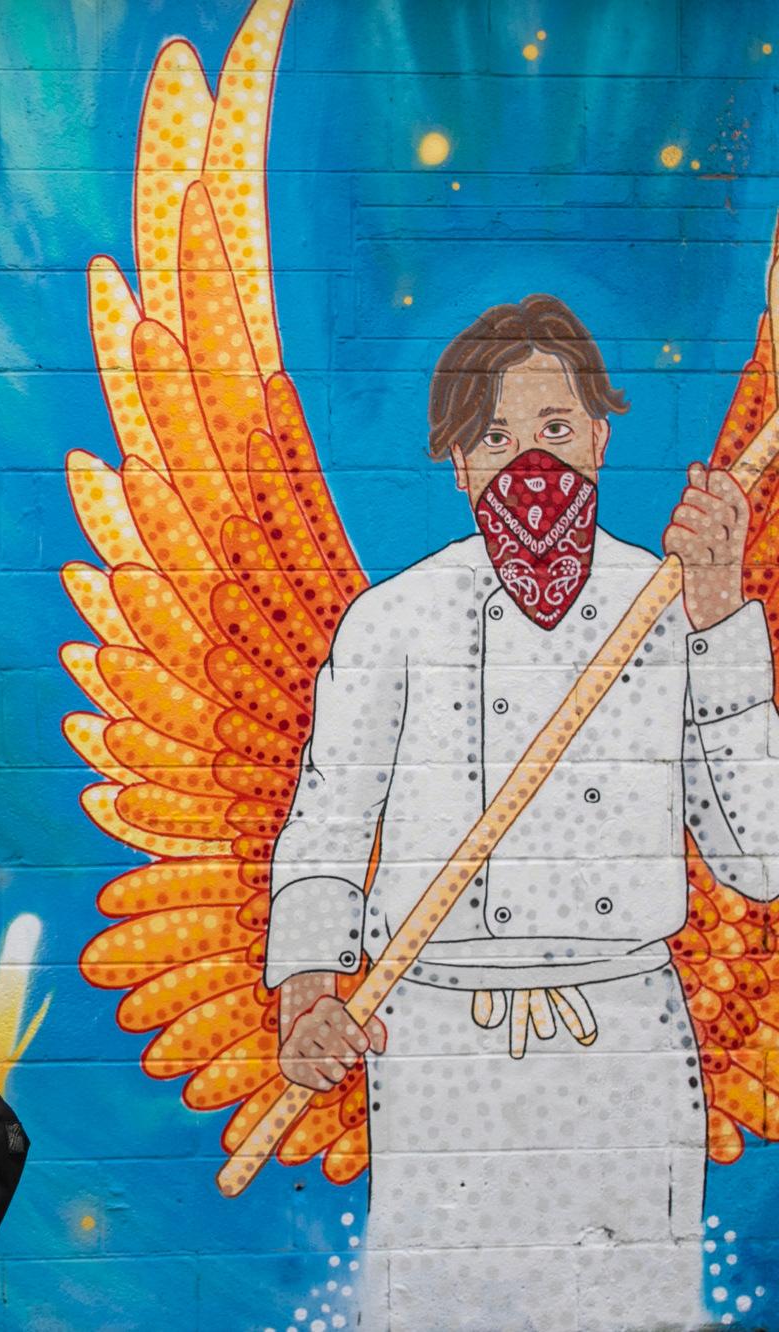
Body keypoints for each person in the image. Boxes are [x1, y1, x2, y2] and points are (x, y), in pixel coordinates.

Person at [267, 293, 779, 1329]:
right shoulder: (393, 621)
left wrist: (721, 614)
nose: (527, 463)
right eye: (493, 437)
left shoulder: (674, 605)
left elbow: (759, 859)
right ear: (454, 462)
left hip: (624, 1050)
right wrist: (306, 989)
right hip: (438, 1046)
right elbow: (325, 820)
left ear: (598, 436)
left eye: (552, 430)